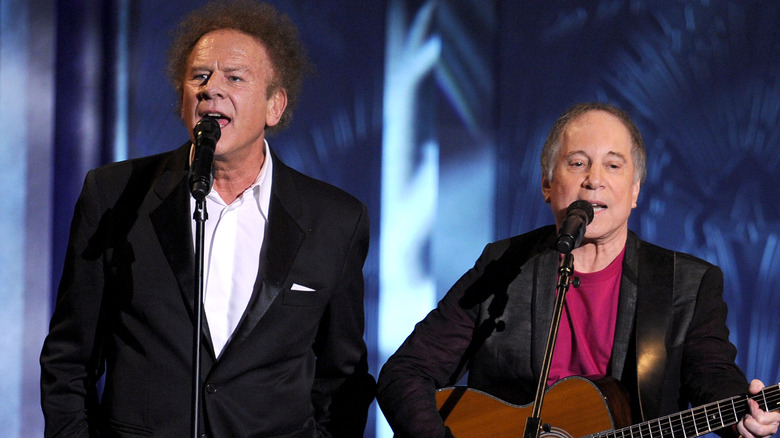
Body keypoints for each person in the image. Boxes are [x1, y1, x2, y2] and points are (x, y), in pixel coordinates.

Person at [40, 1, 375, 437]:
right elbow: (69, 360)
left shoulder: (335, 219)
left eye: (234, 78)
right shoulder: (114, 195)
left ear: (275, 106)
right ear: (182, 100)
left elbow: (342, 380)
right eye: (199, 76)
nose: (210, 89)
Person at [376, 102, 780, 438]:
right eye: (577, 163)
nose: (594, 182)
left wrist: (746, 415)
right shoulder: (503, 266)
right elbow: (406, 372)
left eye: (614, 166)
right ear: (547, 184)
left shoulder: (687, 284)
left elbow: (713, 377)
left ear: (636, 191)